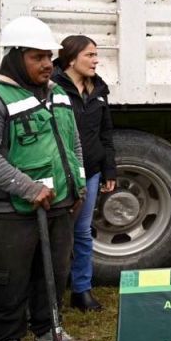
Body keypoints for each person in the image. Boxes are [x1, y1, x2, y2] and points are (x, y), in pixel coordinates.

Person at [0, 16, 90, 341]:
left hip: (60, 205)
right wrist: (27, 187)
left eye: (49, 57)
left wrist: (77, 184)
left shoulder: (58, 91)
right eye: (37, 58)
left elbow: (73, 143)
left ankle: (48, 334)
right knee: (10, 280)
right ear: (16, 58)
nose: (47, 64)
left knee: (53, 274)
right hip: (14, 211)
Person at [52, 35, 116, 313]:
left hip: (89, 173)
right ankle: (47, 297)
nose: (95, 60)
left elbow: (106, 133)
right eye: (89, 55)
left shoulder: (99, 89)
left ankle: (81, 290)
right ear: (71, 58)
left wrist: (108, 168)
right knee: (56, 234)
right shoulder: (52, 88)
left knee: (82, 233)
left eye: (95, 55)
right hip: (59, 174)